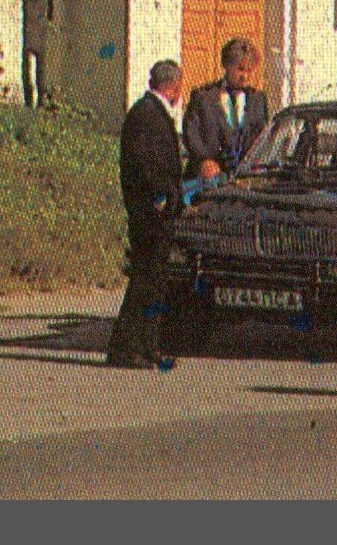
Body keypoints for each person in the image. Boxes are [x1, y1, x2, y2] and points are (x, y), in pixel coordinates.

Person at [108, 58, 188, 369]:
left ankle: (149, 345)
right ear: (173, 86)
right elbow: (144, 167)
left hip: (158, 214)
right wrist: (162, 198)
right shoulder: (146, 115)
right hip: (150, 215)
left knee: (155, 282)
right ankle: (127, 347)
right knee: (144, 281)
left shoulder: (154, 114)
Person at [183, 36, 269, 183]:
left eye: (249, 71)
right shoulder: (203, 97)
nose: (245, 76)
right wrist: (203, 161)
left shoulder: (258, 100)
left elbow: (263, 137)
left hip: (244, 180)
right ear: (226, 65)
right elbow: (191, 133)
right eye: (240, 69)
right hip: (208, 179)